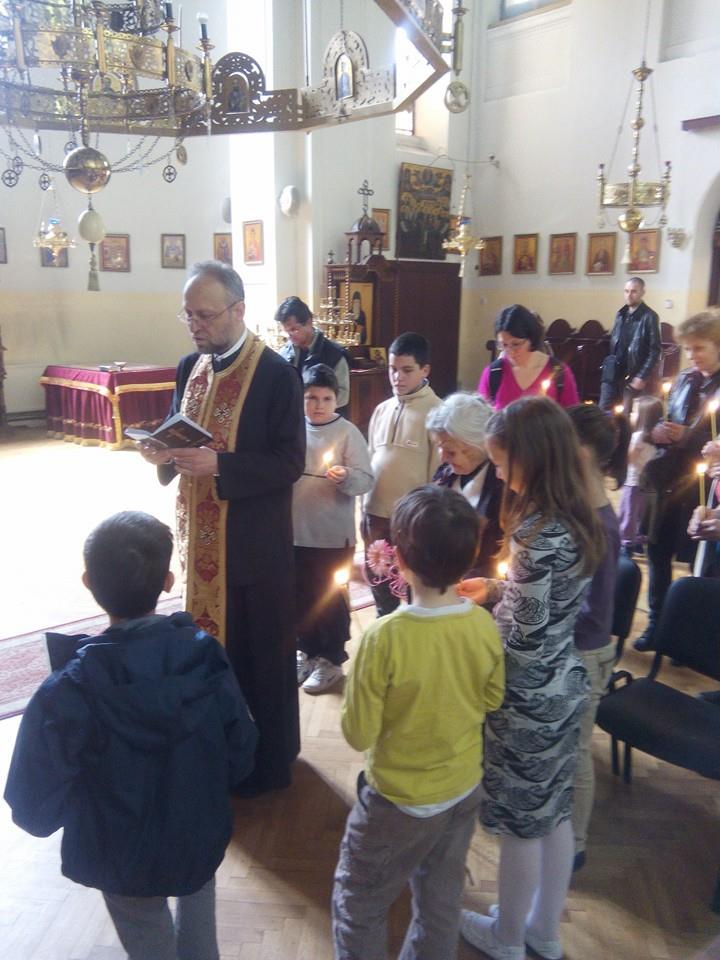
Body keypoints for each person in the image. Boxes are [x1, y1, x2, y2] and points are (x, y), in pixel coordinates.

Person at [4, 512, 258, 960]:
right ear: (168, 581)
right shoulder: (205, 658)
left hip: (117, 849)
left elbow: (33, 805)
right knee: (198, 900)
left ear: (88, 582)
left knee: (145, 935)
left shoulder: (67, 691)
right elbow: (241, 752)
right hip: (197, 829)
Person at [138, 260, 305, 795]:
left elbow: (289, 462)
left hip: (253, 550)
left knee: (260, 660)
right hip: (200, 546)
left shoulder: (277, 375)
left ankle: (268, 764)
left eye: (205, 315)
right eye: (188, 314)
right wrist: (160, 452)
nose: (195, 325)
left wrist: (221, 466)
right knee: (210, 658)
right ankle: (217, 757)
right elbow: (177, 432)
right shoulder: (191, 366)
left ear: (239, 310)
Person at [332, 485, 505, 960]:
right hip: (462, 788)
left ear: (400, 558)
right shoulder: (482, 623)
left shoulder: (384, 638)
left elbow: (359, 733)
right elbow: (492, 697)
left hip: (398, 800)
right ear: (470, 556)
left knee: (360, 904)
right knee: (440, 903)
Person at [458, 397, 603, 960]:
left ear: (532, 457)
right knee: (554, 815)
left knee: (520, 824)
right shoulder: (579, 515)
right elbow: (548, 601)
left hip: (527, 699)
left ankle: (507, 938)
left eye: (501, 462)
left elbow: (522, 638)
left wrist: (468, 633)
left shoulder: (540, 533)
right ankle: (542, 930)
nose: (498, 474)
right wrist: (498, 590)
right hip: (565, 683)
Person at [634, 308, 720, 651]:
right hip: (668, 480)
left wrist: (687, 436)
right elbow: (668, 417)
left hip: (703, 486)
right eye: (687, 348)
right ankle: (657, 623)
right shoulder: (685, 379)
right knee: (658, 552)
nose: (692, 355)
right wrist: (657, 431)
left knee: (699, 561)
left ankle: (688, 636)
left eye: (699, 348)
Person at [566, 403, 629, 872]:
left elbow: (593, 613)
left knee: (575, 753)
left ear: (582, 452)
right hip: (572, 648)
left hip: (585, 654)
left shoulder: (599, 523)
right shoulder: (580, 510)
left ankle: (575, 843)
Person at [293, 364, 373, 694]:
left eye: (326, 398)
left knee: (330, 596)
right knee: (300, 594)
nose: (318, 405)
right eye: (311, 398)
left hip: (333, 536)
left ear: (337, 399)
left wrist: (346, 477)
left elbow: (366, 479)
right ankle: (306, 649)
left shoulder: (347, 433)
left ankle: (331, 658)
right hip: (296, 531)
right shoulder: (292, 429)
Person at [363, 332, 442, 616]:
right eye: (393, 369)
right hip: (375, 512)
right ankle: (383, 624)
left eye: (407, 370)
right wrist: (363, 507)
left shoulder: (437, 412)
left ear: (425, 370)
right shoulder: (382, 410)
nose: (397, 377)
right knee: (379, 579)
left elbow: (437, 474)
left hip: (411, 519)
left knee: (412, 583)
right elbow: (371, 458)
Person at [426, 392, 504, 577]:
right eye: (439, 448)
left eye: (450, 451)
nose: (442, 458)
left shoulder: (503, 484)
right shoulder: (445, 474)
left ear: (479, 445)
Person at [477, 304, 579, 409]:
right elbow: (480, 415)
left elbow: (573, 416)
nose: (510, 352)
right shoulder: (493, 374)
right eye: (503, 345)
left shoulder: (558, 373)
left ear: (531, 339)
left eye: (516, 344)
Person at [276, 295, 351, 416]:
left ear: (309, 322)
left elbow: (343, 395)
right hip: (292, 421)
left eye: (294, 329)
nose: (290, 336)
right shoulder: (284, 354)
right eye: (286, 331)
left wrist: (311, 405)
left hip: (324, 422)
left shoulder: (334, 354)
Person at [599, 277, 661, 412]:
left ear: (642, 292)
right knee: (603, 410)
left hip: (634, 372)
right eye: (626, 291)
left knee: (627, 414)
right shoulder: (620, 314)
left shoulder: (650, 316)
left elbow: (655, 350)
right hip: (614, 370)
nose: (629, 295)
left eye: (634, 291)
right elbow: (615, 343)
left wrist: (642, 375)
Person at [618, 395, 663, 555]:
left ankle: (626, 543)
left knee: (628, 512)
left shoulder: (637, 436)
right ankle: (637, 539)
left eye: (634, 411)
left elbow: (630, 459)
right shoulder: (656, 437)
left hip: (633, 481)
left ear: (643, 416)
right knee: (641, 513)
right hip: (647, 484)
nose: (631, 414)